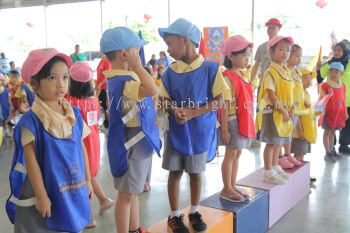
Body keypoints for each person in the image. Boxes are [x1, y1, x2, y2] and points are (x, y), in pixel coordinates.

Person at [6, 48, 92, 233]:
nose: (61, 84)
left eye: (65, 77)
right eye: (52, 78)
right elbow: (31, 163)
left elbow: (81, 149)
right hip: (46, 190)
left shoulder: (74, 114)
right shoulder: (31, 122)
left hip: (73, 187)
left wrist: (88, 180)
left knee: (71, 223)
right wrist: (42, 196)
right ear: (35, 84)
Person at [158, 18, 230, 233]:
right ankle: (173, 215)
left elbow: (221, 100)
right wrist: (174, 111)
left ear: (185, 40)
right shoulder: (170, 73)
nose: (168, 49)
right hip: (177, 130)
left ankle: (194, 210)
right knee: (175, 170)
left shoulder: (210, 69)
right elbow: (164, 99)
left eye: (170, 43)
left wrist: (192, 112)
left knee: (196, 172)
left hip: (199, 131)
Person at [100, 27, 161, 233]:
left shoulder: (124, 77)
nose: (140, 54)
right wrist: (137, 66)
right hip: (131, 144)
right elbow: (152, 88)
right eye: (136, 50)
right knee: (126, 195)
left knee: (133, 192)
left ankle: (135, 228)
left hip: (137, 141)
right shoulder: (124, 80)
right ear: (125, 53)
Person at [65, 61, 114, 228]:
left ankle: (89, 217)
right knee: (90, 176)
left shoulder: (69, 101)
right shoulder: (93, 100)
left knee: (83, 180)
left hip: (80, 147)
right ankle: (103, 200)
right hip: (94, 142)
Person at [219, 35, 255, 202]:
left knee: (237, 153)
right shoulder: (227, 76)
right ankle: (226, 189)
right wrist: (225, 129)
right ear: (231, 56)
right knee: (231, 153)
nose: (246, 58)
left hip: (241, 119)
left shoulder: (241, 74)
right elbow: (225, 105)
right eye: (243, 54)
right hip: (232, 120)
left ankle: (232, 185)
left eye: (247, 54)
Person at [258, 36, 295, 184]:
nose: (285, 52)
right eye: (281, 49)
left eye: (288, 50)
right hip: (273, 113)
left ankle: (274, 166)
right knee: (271, 143)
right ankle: (268, 172)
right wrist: (284, 111)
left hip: (284, 113)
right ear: (271, 52)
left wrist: (292, 108)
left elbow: (290, 92)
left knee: (278, 142)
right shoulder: (271, 72)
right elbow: (270, 94)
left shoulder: (286, 71)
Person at [317, 42, 350, 154]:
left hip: (342, 106)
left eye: (339, 50)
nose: (336, 52)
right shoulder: (328, 65)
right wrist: (318, 69)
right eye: (334, 50)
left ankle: (337, 148)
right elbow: (319, 79)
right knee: (329, 131)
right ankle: (329, 150)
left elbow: (344, 98)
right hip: (329, 109)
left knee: (337, 129)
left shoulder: (349, 63)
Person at [280, 44, 305, 168]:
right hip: (287, 108)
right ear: (288, 56)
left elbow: (300, 90)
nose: (299, 59)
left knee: (289, 133)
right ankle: (281, 157)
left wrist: (304, 100)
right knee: (283, 133)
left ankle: (288, 154)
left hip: (296, 109)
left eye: (300, 56)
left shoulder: (296, 71)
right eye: (296, 56)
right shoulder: (285, 71)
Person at [292, 67, 318, 183]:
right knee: (298, 155)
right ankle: (297, 179)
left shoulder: (306, 93)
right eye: (305, 78)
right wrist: (300, 132)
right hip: (300, 133)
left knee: (302, 155)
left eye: (310, 78)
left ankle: (301, 177)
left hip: (306, 131)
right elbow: (296, 115)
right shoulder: (298, 94)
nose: (309, 80)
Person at [319, 62, 348, 162]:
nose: (333, 74)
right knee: (327, 132)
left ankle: (331, 150)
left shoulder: (343, 86)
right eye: (331, 71)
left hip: (338, 114)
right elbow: (321, 100)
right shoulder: (325, 85)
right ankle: (327, 153)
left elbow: (343, 100)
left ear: (341, 74)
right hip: (328, 114)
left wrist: (345, 113)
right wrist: (327, 95)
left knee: (333, 132)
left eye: (336, 72)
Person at [251, 18, 282, 83]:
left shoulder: (284, 46)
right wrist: (251, 81)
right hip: (263, 83)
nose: (270, 30)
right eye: (269, 28)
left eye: (273, 28)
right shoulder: (261, 47)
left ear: (279, 29)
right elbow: (256, 65)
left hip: (279, 83)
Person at [95, 55, 111, 129]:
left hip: (104, 87)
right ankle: (105, 122)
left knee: (106, 106)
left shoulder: (107, 61)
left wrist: (101, 84)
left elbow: (107, 76)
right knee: (100, 105)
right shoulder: (102, 60)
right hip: (99, 87)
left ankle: (108, 123)